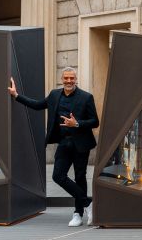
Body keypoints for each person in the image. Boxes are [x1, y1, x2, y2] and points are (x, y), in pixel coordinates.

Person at [8, 67, 99, 227]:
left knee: (80, 177)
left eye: (72, 78)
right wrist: (16, 96)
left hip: (81, 144)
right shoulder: (54, 95)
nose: (69, 81)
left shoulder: (86, 97)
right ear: (61, 79)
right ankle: (88, 203)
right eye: (66, 78)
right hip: (64, 143)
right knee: (57, 176)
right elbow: (37, 105)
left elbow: (95, 121)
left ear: (76, 79)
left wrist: (77, 123)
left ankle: (78, 213)